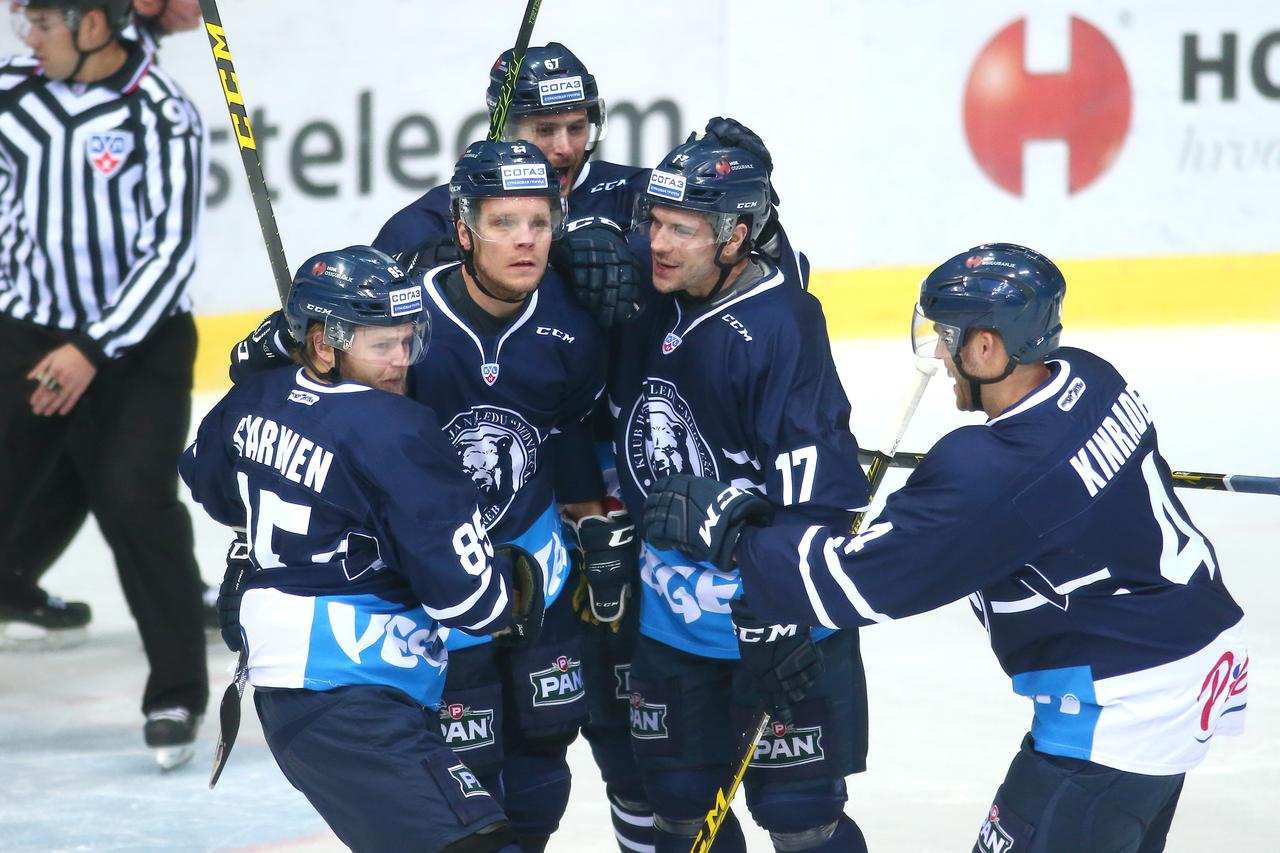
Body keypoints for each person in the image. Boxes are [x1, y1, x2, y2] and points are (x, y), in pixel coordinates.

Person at [641, 242, 1250, 853]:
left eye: (948, 335)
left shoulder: (990, 471)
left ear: (986, 347)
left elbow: (856, 582)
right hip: (1189, 652)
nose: (938, 353)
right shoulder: (1093, 377)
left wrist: (728, 534)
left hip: (1121, 703)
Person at [181, 245, 545, 853]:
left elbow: (213, 489)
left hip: (305, 693)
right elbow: (466, 603)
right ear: (325, 343)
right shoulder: (396, 429)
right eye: (382, 345)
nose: (401, 361)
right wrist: (508, 592)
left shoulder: (249, 398)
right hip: (348, 694)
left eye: (408, 340)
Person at [606, 134, 874, 853]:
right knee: (681, 813)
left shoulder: (780, 323)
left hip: (775, 624)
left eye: (682, 230)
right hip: (673, 627)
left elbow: (818, 493)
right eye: (654, 221)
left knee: (802, 818)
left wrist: (783, 610)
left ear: (738, 238)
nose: (658, 242)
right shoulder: (645, 288)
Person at [0, 0, 208, 767]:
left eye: (43, 24)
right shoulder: (12, 94)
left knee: (132, 499)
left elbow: (169, 252)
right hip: (23, 335)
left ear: (94, 27)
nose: (29, 38)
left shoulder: (162, 112)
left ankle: (177, 692)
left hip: (134, 348)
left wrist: (91, 346)